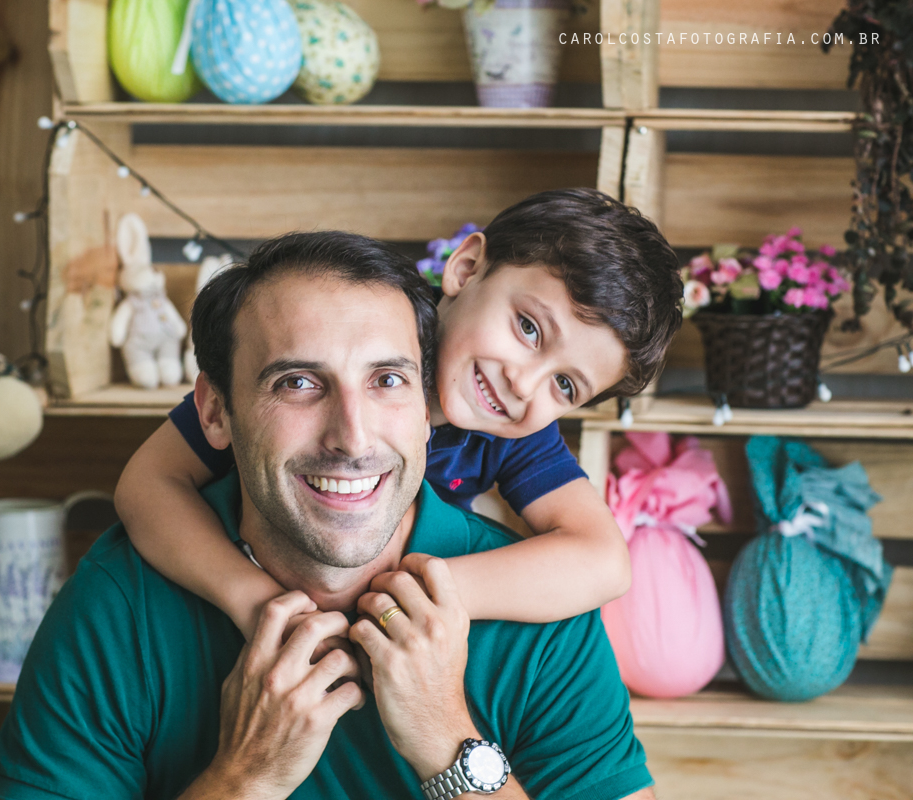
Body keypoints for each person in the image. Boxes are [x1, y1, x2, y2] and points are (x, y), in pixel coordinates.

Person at [0, 232, 655, 799]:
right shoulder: (118, 605)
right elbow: (147, 486)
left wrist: (446, 736)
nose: (353, 436)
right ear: (217, 409)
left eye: (387, 380)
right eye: (298, 382)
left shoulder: (543, 623)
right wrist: (244, 777)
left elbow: (602, 559)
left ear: (420, 405)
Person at [115, 189, 684, 639]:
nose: (523, 381)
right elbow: (148, 484)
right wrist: (252, 598)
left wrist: (420, 592)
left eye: (564, 384)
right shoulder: (346, 337)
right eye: (529, 328)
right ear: (466, 269)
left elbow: (604, 561)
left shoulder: (512, 431)